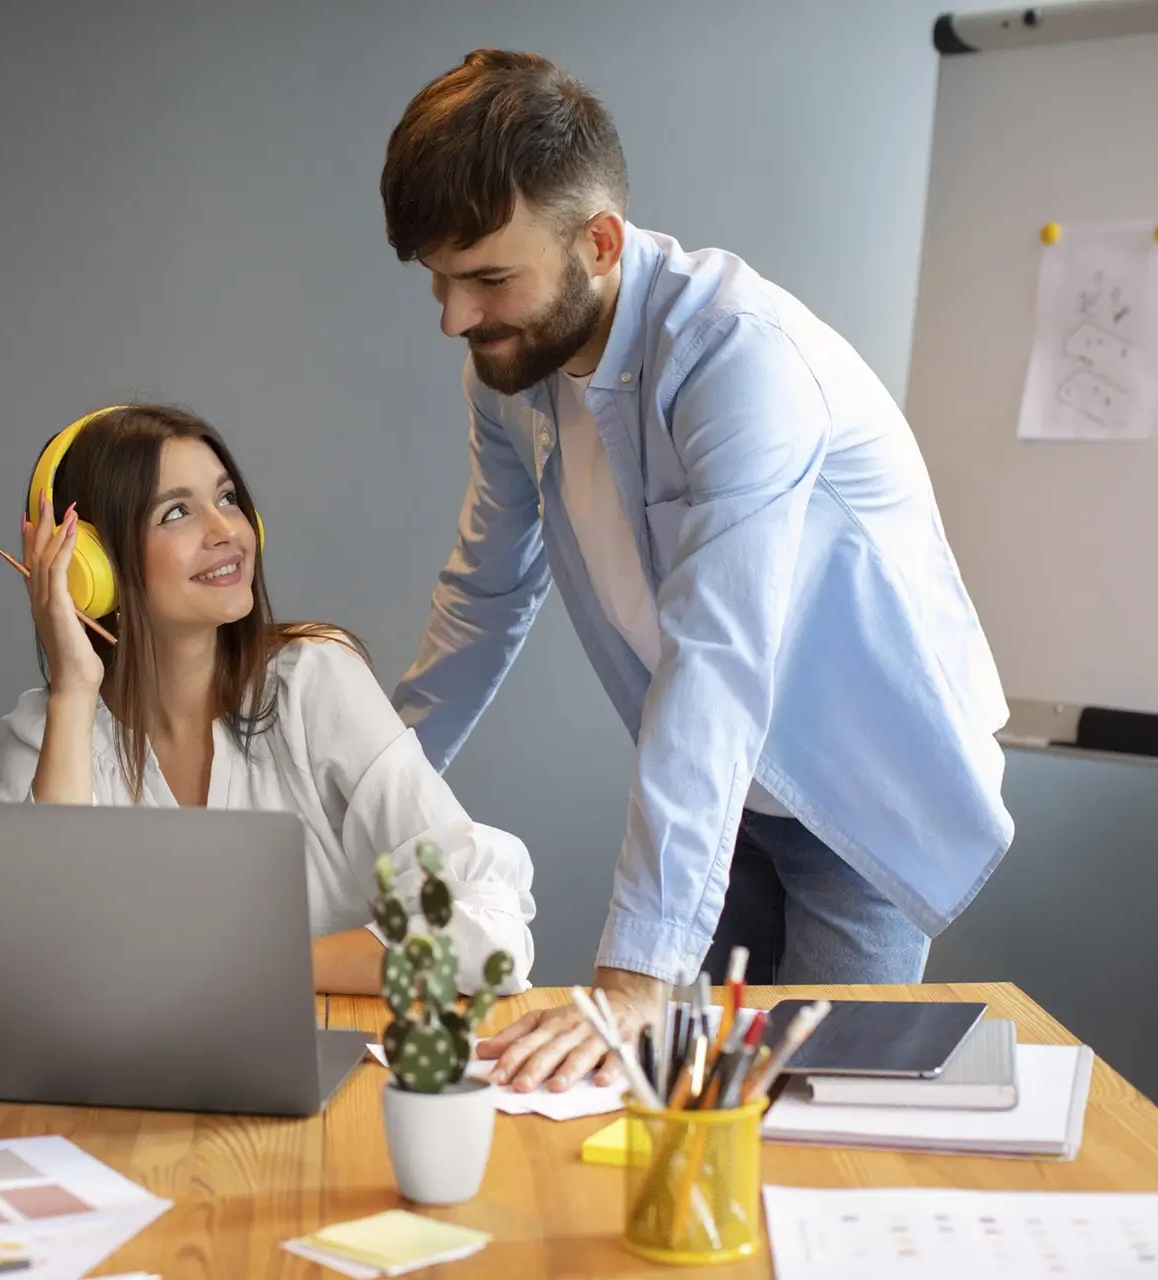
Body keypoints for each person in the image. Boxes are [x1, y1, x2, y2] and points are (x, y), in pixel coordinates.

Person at [377, 50, 1013, 1091]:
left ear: (599, 241)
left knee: (814, 1113)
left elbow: (718, 654)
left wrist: (637, 977)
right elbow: (484, 595)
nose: (455, 316)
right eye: (439, 279)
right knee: (683, 1105)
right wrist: (370, 807)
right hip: (725, 798)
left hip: (863, 788)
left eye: (487, 279)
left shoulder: (737, 356)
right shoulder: (506, 375)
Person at [0, 403, 538, 996]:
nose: (226, 530)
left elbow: (488, 931)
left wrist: (246, 968)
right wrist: (74, 690)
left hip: (332, 1046)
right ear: (91, 568)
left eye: (227, 498)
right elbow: (40, 963)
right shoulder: (53, 730)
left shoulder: (314, 683)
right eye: (176, 512)